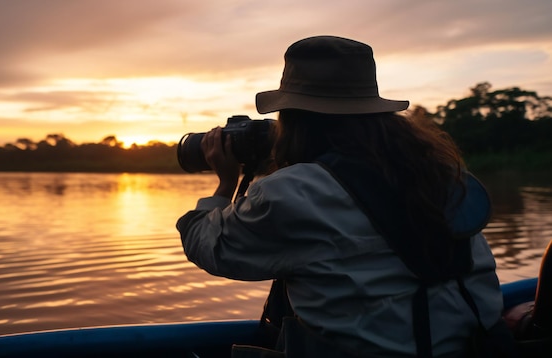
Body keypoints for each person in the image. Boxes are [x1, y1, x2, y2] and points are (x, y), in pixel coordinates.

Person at [177, 36, 507, 357]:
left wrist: (225, 183)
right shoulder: (438, 174)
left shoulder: (294, 192)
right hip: (478, 345)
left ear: (294, 119)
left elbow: (209, 247)